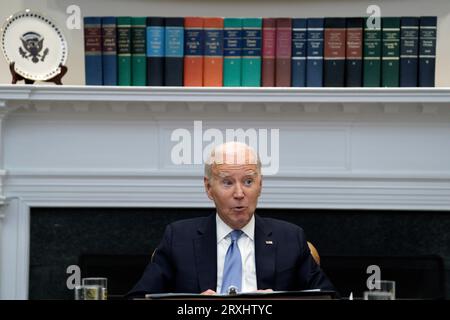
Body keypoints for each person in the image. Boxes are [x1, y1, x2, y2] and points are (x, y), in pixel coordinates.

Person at [127, 142, 336, 297]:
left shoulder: (290, 238)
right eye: (227, 182)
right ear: (209, 188)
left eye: (248, 181)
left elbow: (328, 296)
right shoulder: (179, 238)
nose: (239, 193)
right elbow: (139, 297)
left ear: (260, 185)